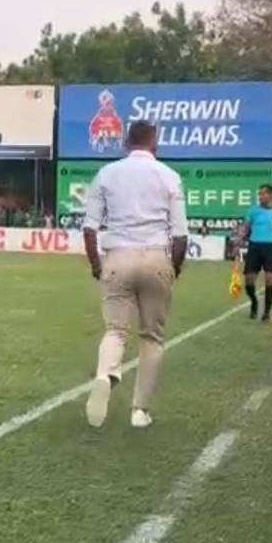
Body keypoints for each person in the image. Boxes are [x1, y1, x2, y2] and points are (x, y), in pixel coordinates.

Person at [81, 121, 189, 429]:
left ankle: (105, 374)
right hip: (156, 256)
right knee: (151, 337)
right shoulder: (169, 176)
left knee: (115, 330)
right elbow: (180, 235)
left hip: (117, 257)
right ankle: (139, 411)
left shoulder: (107, 173)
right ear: (154, 143)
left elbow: (90, 228)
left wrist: (96, 265)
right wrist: (174, 269)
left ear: (127, 143)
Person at [238, 184, 272, 321]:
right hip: (255, 246)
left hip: (271, 248)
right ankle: (254, 302)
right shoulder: (253, 211)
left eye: (263, 194)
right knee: (249, 280)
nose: (260, 197)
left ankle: (266, 311)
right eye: (259, 194)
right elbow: (245, 228)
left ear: (271, 195)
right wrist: (238, 241)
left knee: (269, 280)